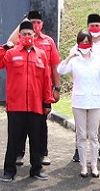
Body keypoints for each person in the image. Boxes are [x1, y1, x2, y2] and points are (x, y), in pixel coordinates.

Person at [0, 21, 53, 182]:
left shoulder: (41, 54)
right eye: (24, 34)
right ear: (20, 37)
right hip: (16, 105)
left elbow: (46, 80)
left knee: (36, 139)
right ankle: (9, 171)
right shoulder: (11, 53)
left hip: (35, 105)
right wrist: (3, 48)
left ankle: (36, 169)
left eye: (30, 34)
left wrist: (47, 101)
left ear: (34, 36)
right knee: (14, 140)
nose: (27, 37)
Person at [8, 11, 61, 166]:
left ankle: (42, 154)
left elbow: (54, 65)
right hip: (23, 92)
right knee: (22, 125)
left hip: (41, 90)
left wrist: (56, 88)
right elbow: (8, 43)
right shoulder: (20, 40)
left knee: (40, 124)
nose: (36, 25)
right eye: (33, 22)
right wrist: (22, 24)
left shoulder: (48, 41)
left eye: (39, 22)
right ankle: (19, 153)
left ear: (42, 24)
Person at [58, 29, 100, 178]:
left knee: (93, 135)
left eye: (87, 42)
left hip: (94, 101)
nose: (85, 45)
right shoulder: (74, 60)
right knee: (81, 135)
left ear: (91, 44)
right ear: (78, 43)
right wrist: (69, 57)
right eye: (82, 42)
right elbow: (61, 70)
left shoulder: (97, 59)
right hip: (79, 101)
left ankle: (94, 165)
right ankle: (83, 166)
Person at [70, 14, 100, 164]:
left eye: (97, 25)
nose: (94, 28)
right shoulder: (77, 48)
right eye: (91, 26)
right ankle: (79, 149)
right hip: (84, 90)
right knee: (82, 122)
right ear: (87, 27)